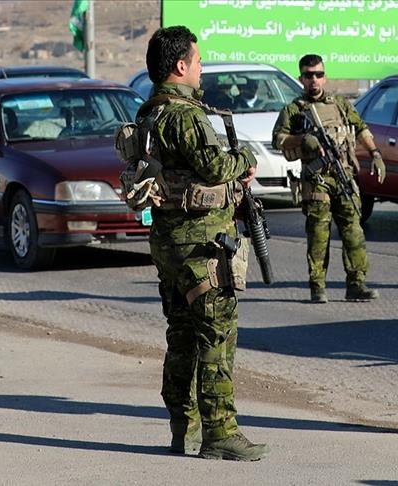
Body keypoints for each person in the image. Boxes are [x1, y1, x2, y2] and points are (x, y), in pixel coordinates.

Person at [123, 25, 269, 461]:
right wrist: (246, 158)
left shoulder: (150, 114)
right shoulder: (185, 115)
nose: (202, 68)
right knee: (216, 333)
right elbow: (213, 165)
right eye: (199, 60)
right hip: (199, 243)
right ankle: (220, 432)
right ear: (181, 65)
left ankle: (182, 427)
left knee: (182, 334)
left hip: (168, 240)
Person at [272, 54, 386, 304]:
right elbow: (278, 139)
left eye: (319, 74)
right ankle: (317, 287)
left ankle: (356, 284)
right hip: (316, 182)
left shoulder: (341, 105)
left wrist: (374, 153)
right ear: (301, 77)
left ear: (325, 76)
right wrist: (303, 140)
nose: (314, 80)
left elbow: (360, 127)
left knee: (354, 232)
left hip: (343, 177)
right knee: (318, 236)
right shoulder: (293, 109)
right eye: (309, 75)